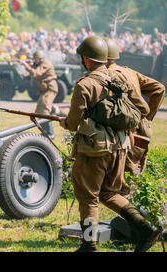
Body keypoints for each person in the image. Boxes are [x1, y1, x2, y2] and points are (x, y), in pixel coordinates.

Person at [59, 36, 158, 252]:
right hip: (122, 147)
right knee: (109, 193)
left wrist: (64, 122)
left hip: (95, 150)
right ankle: (144, 227)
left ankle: (89, 244)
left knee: (88, 196)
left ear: (86, 59)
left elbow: (74, 123)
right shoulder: (119, 79)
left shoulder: (85, 85)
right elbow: (144, 109)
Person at [104, 38, 165, 173]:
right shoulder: (129, 72)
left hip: (124, 137)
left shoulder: (106, 76)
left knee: (121, 183)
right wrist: (146, 119)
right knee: (135, 180)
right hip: (141, 133)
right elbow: (159, 89)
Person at [20, 50, 58, 139]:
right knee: (39, 111)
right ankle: (46, 131)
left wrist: (26, 66)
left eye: (35, 59)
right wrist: (30, 65)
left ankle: (50, 133)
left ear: (40, 58)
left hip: (50, 87)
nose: (35, 60)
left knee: (44, 109)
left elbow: (36, 74)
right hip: (45, 88)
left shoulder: (46, 63)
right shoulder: (40, 63)